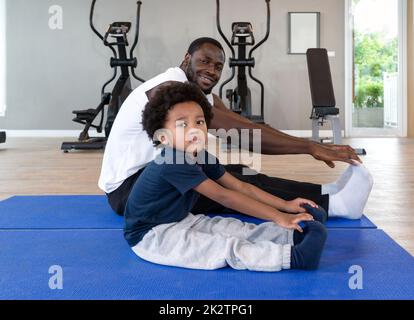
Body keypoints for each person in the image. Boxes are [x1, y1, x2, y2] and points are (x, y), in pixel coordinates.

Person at [99, 37, 373, 220]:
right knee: (228, 187)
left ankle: (324, 194)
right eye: (204, 61)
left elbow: (245, 129)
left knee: (240, 174)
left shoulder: (202, 94)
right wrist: (309, 147)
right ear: (186, 59)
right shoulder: (171, 85)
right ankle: (335, 207)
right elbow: (241, 133)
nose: (212, 71)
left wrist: (310, 147)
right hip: (130, 190)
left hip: (156, 175)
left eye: (218, 66)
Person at [125, 82, 327, 271]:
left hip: (181, 219)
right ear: (163, 137)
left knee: (232, 228)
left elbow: (240, 187)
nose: (194, 129)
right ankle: (293, 257)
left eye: (199, 121)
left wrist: (285, 206)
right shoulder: (172, 160)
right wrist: (278, 216)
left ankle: (292, 237)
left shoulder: (200, 155)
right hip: (151, 234)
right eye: (182, 125)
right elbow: (224, 196)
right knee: (221, 247)